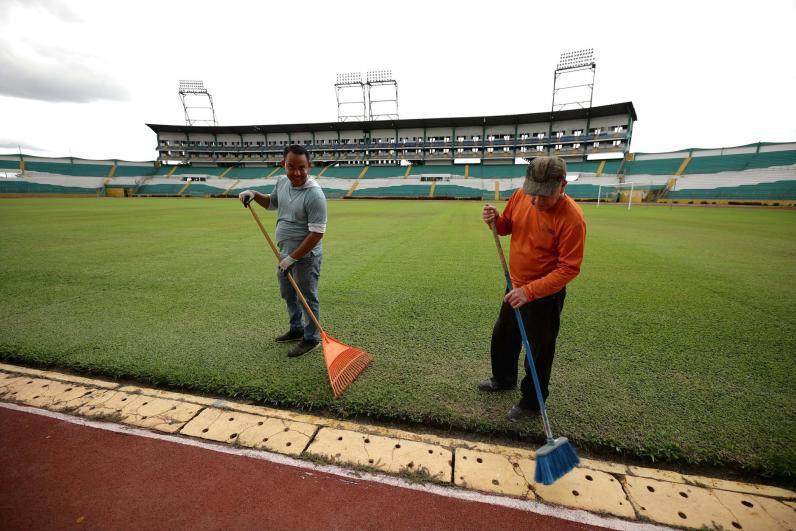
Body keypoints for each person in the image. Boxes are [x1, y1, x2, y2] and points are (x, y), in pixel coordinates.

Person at [480, 156, 586, 422]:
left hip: (543, 296)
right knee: (504, 335)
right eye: (533, 193)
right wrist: (494, 220)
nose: (536, 200)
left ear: (562, 186)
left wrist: (530, 292)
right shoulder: (520, 196)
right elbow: (507, 227)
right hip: (514, 284)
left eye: (544, 195)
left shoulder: (572, 219)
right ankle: (503, 379)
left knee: (539, 350)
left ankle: (531, 402)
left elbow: (568, 268)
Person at [239, 145, 328, 358]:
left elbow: (316, 234)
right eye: (291, 167)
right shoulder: (281, 182)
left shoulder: (314, 195)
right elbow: (271, 203)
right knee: (288, 293)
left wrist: (292, 258)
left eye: (302, 168)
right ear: (283, 165)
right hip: (284, 254)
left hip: (305, 257)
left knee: (307, 296)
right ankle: (296, 328)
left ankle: (311, 338)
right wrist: (253, 194)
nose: (296, 173)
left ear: (309, 167)